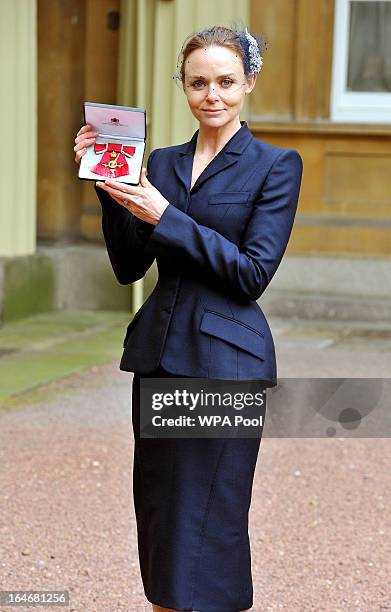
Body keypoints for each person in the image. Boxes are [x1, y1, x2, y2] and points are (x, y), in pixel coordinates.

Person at [74, 24, 303, 612]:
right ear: (184, 86)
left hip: (228, 362)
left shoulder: (276, 165)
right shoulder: (164, 162)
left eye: (227, 81)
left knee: (212, 515)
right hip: (160, 354)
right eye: (199, 82)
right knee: (161, 512)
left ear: (249, 82)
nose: (213, 95)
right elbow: (129, 265)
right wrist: (109, 187)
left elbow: (252, 273)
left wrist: (166, 215)